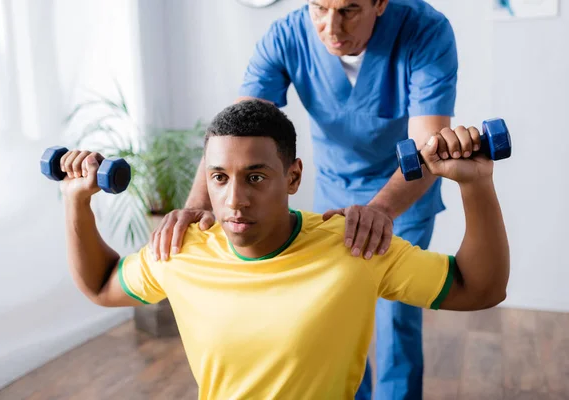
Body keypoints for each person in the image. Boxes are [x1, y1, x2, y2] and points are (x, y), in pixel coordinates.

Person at [59, 100, 508, 400]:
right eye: (219, 177)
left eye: (255, 176)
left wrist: (476, 185)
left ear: (292, 177)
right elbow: (101, 284)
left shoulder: (353, 244)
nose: (235, 199)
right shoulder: (181, 250)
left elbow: (479, 288)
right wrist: (76, 201)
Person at [150, 1, 458, 398]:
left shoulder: (425, 31)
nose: (331, 27)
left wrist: (380, 211)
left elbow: (425, 145)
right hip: (334, 190)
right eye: (319, 7)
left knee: (396, 321)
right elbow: (236, 134)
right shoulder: (286, 36)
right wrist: (198, 204)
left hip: (402, 193)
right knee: (339, 315)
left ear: (380, 3)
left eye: (348, 10)